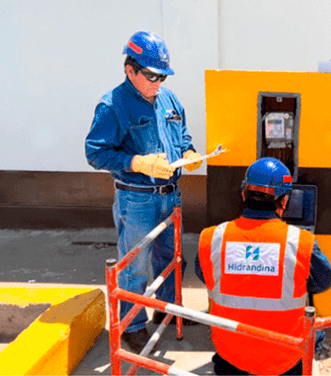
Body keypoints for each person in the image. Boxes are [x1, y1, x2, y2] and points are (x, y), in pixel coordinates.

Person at [85, 30, 203, 353]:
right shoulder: (113, 106)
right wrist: (137, 162)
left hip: (170, 193)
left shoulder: (169, 99)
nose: (157, 83)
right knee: (135, 264)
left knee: (172, 257)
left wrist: (190, 154)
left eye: (162, 75)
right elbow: (95, 152)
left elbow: (183, 136)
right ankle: (133, 326)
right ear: (130, 70)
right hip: (136, 198)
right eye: (150, 75)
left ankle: (168, 307)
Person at [195, 157, 331, 375]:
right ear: (285, 201)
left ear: (243, 194)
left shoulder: (212, 238)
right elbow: (324, 281)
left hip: (231, 351)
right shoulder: (300, 242)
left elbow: (205, 275)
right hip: (285, 356)